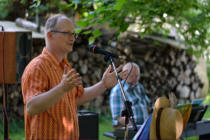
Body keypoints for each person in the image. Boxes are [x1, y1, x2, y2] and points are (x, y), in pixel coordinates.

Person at [21, 14, 125, 140]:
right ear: (50, 35)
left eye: (73, 34)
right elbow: (32, 107)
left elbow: (76, 98)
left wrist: (103, 85)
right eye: (67, 33)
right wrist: (61, 88)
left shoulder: (65, 66)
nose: (73, 38)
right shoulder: (37, 67)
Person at [110, 62, 151, 128]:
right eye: (132, 76)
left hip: (145, 126)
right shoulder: (117, 91)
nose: (135, 78)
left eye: (137, 76)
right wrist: (133, 126)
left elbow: (149, 105)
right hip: (130, 128)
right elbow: (117, 118)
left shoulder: (139, 86)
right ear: (124, 75)